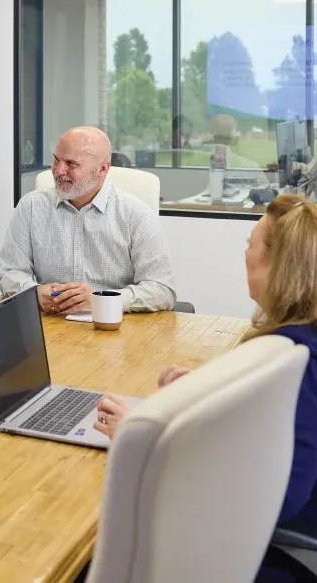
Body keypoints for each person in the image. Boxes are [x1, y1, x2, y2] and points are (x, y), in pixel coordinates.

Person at [94, 195, 317, 564]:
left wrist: (145, 443)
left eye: (251, 245)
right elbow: (270, 430)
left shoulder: (297, 362)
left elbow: (279, 497)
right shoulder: (300, 339)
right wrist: (211, 395)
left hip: (257, 553)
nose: (245, 254)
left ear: (277, 265)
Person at [0, 126, 176, 314]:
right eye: (56, 160)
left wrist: (102, 299)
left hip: (115, 328)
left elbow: (162, 290)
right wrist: (33, 293)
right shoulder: (31, 207)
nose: (59, 171)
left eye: (71, 164)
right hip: (51, 326)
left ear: (102, 169)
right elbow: (10, 272)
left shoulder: (135, 214)